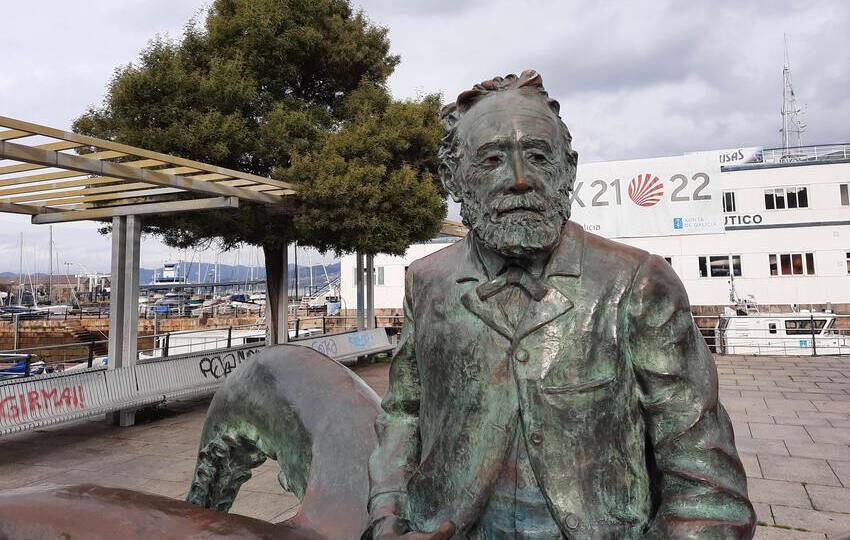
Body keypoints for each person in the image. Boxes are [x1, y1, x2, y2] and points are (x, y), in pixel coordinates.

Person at [366, 70, 755, 539]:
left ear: (568, 169)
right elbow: (404, 414)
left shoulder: (636, 282)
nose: (520, 180)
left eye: (538, 156)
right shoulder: (426, 282)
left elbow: (704, 478)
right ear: (454, 177)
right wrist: (387, 514)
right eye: (491, 160)